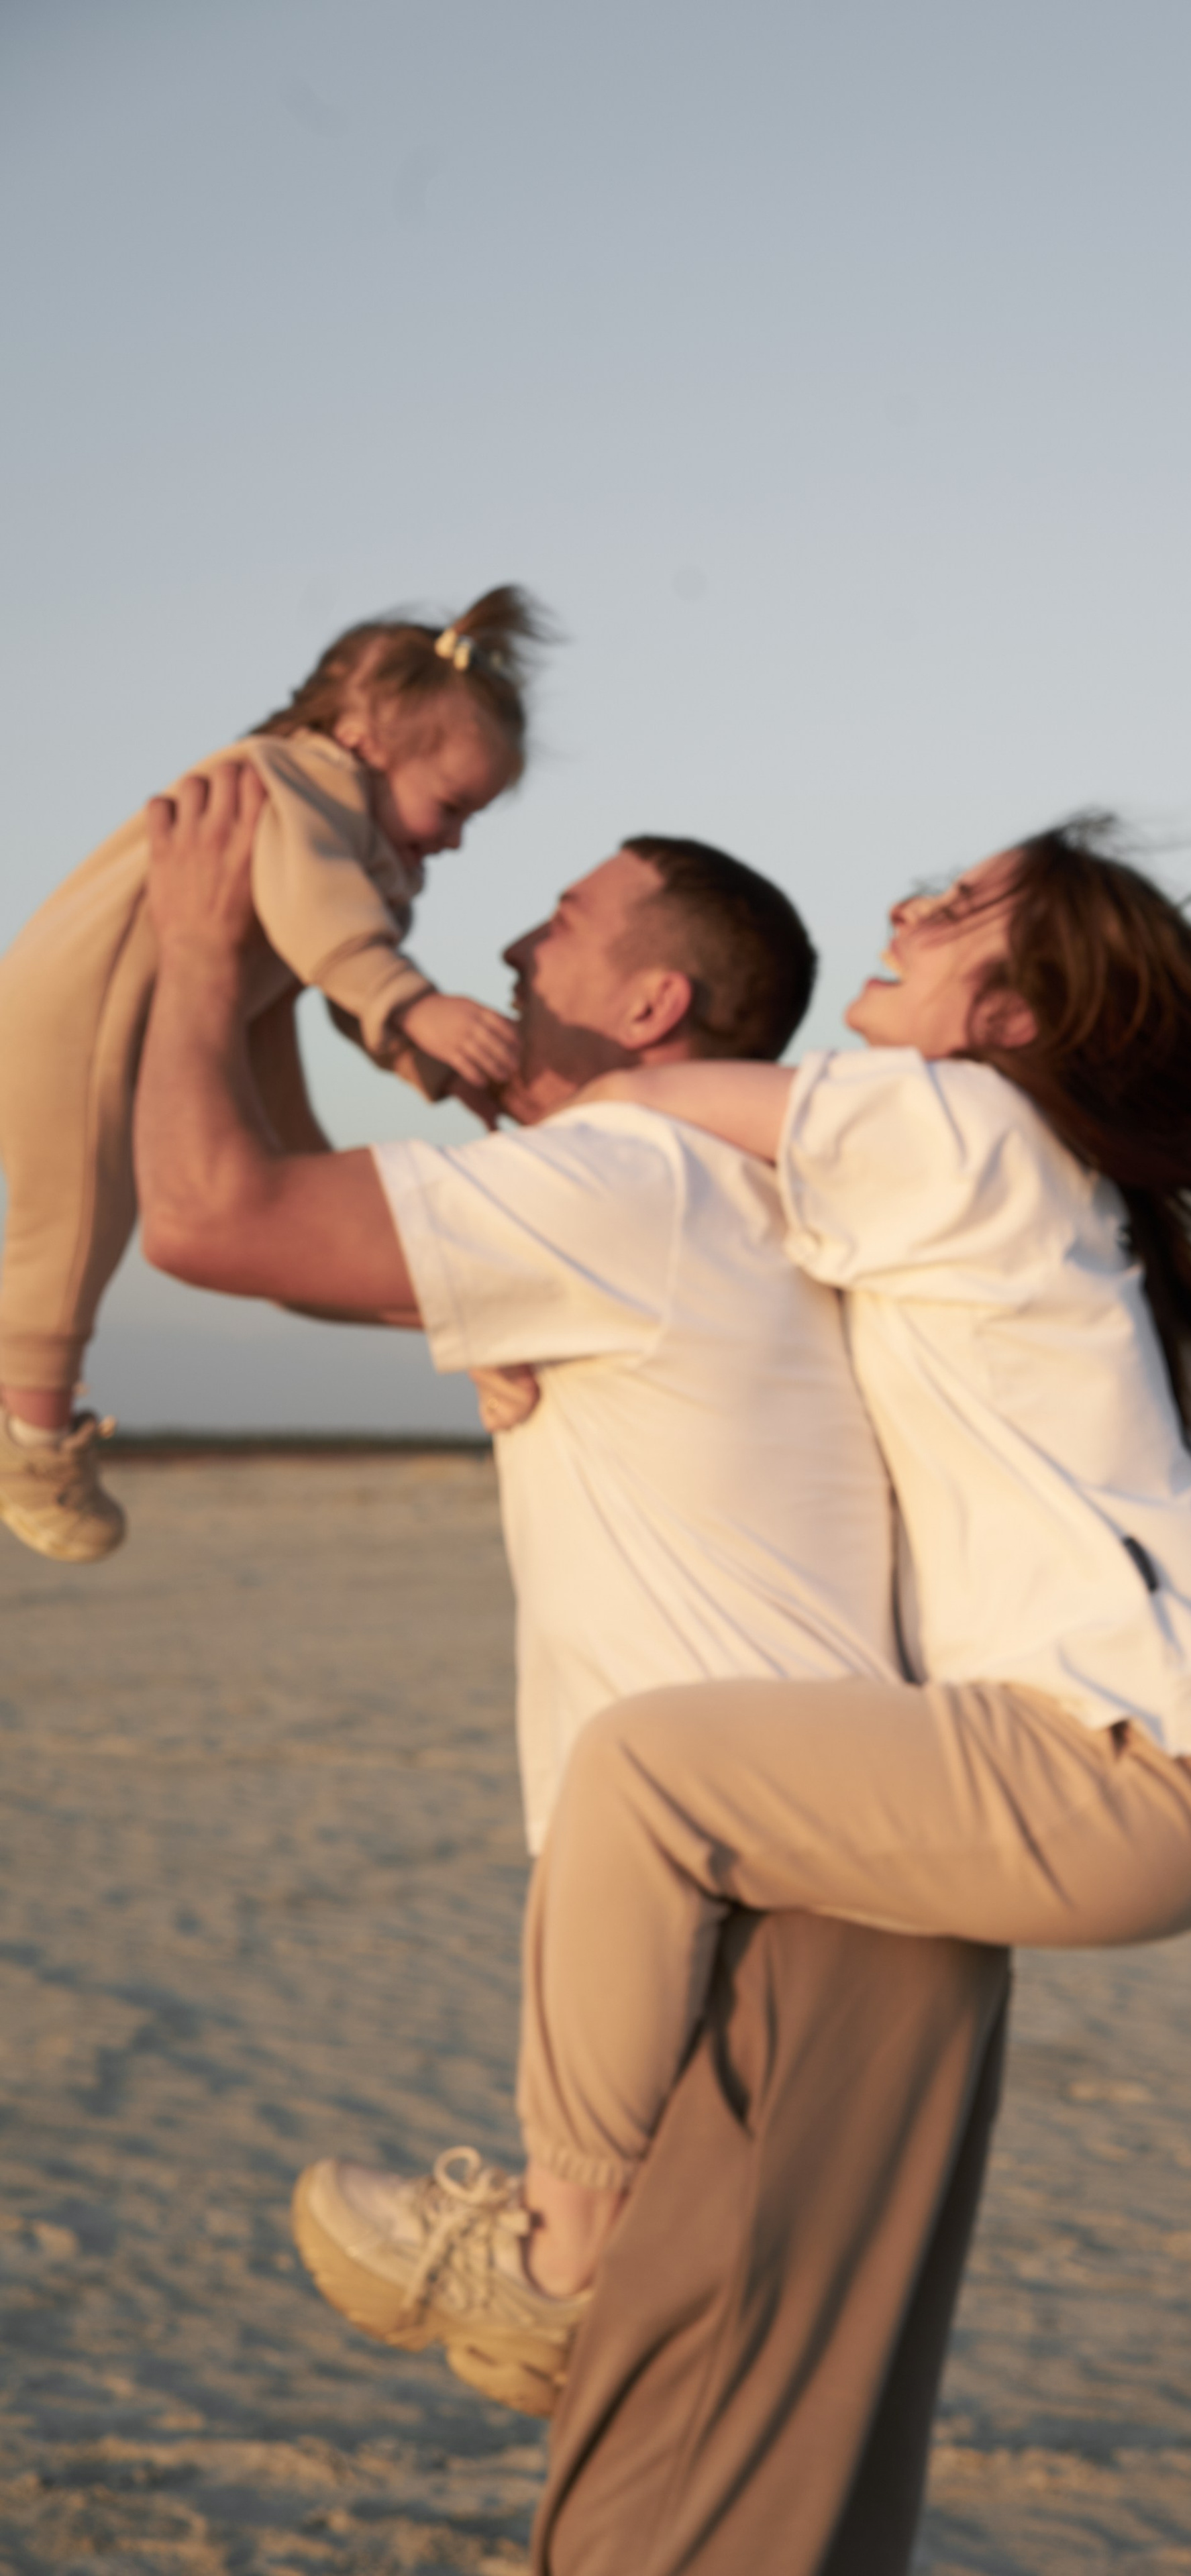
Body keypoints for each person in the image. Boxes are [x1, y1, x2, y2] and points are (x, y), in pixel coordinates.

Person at [407, 815, 1191, 2318]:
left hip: (1121, 1763)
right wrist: (507, 1326)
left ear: (1005, 1018)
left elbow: (632, 1105)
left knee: (638, 1773)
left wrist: (406, 1013)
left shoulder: (944, 1121)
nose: (903, 906)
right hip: (1161, 1758)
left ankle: (556, 2264)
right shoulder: (962, 1167)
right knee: (664, 1784)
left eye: (956, 907)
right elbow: (714, 1255)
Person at [134, 764, 1009, 2576]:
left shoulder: (638, 1183)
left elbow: (212, 1219)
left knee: (666, 2522)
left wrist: (204, 951)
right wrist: (287, 981)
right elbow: (302, 1224)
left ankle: (557, 2250)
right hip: (813, 1908)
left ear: (653, 1008)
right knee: (732, 2512)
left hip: (790, 1926)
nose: (512, 943)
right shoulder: (660, 1193)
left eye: (562, 925)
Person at [0, 585, 548, 1564]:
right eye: (454, 805)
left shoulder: (354, 842)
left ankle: (471, 1315)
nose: (456, 837)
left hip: (230, 1000)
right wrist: (414, 1003)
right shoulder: (285, 779)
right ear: (364, 734)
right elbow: (324, 918)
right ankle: (30, 1436)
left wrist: (423, 1056)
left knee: (303, 1194)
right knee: (78, 1213)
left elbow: (332, 964)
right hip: (85, 1006)